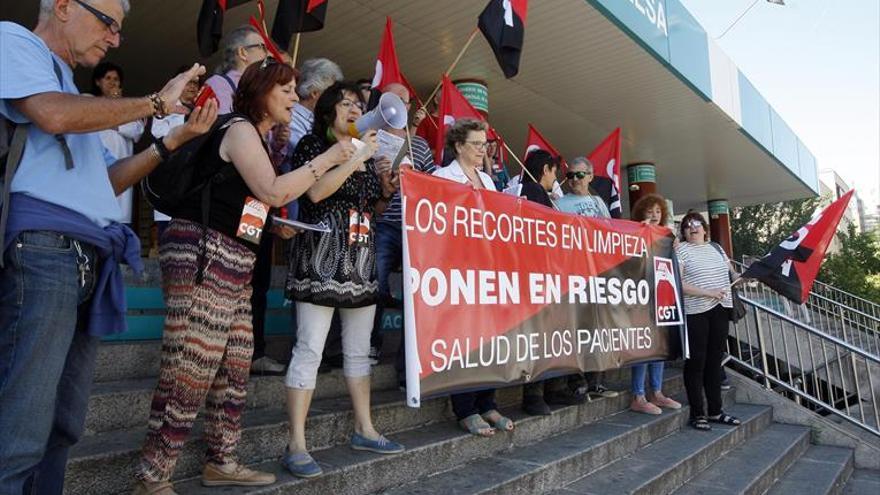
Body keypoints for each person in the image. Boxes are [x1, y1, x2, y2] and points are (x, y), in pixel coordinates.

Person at [0, 1, 212, 492]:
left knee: (62, 424)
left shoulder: (71, 90)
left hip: (82, 256)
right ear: (64, 6)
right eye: (108, 23)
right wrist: (155, 103)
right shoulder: (15, 41)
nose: (115, 39)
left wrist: (171, 141)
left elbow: (108, 180)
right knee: (20, 431)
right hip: (44, 251)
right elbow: (51, 115)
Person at [133, 60, 354, 494]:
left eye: (294, 90)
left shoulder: (257, 137)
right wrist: (328, 157)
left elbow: (250, 203)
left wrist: (272, 224)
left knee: (234, 366)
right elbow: (272, 191)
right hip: (203, 251)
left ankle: (222, 461)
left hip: (235, 254)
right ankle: (152, 476)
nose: (295, 97)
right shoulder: (237, 128)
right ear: (261, 92)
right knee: (191, 365)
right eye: (286, 89)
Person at [282, 81, 403, 478]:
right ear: (328, 110)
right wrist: (355, 157)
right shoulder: (312, 146)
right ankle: (296, 443)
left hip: (360, 257)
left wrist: (385, 189)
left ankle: (364, 428)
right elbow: (316, 192)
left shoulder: (368, 153)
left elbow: (369, 205)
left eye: (359, 103)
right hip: (321, 256)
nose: (355, 109)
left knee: (358, 351)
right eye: (346, 103)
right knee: (310, 349)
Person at [433, 118, 515, 437]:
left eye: (485, 144)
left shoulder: (488, 180)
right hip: (458, 269)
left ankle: (487, 401)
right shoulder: (442, 177)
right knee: (464, 339)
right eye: (477, 144)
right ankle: (465, 408)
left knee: (490, 337)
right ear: (458, 146)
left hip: (488, 268)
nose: (483, 150)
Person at [369, 82, 437, 376]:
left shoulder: (419, 145)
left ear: (408, 107)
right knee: (376, 283)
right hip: (382, 223)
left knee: (416, 292)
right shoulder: (370, 138)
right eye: (392, 97)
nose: (398, 102)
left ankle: (408, 358)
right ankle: (371, 343)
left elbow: (434, 184)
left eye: (404, 99)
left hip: (414, 228)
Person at [556, 156, 620, 401]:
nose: (574, 180)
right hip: (574, 274)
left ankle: (596, 381)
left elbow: (611, 234)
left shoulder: (599, 203)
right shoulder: (560, 203)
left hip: (600, 275)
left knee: (598, 329)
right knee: (577, 328)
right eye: (570, 175)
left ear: (591, 176)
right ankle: (577, 379)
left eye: (579, 175)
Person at [676, 212, 742, 431]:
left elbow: (732, 273)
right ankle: (697, 413)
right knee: (697, 362)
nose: (692, 228)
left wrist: (743, 276)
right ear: (683, 232)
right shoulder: (682, 250)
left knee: (715, 361)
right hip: (696, 312)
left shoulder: (716, 248)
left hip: (721, 310)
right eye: (687, 226)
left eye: (696, 224)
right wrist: (708, 292)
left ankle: (715, 411)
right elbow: (678, 283)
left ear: (705, 228)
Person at [628, 193, 682, 414]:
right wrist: (640, 231)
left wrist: (675, 246)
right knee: (643, 347)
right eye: (649, 211)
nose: (654, 215)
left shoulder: (668, 235)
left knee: (659, 345)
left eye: (658, 211)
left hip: (661, 297)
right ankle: (638, 395)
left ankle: (657, 392)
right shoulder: (633, 231)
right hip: (640, 298)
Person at [150, 66, 201, 241]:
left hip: (191, 184)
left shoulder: (200, 109)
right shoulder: (166, 105)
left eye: (196, 83)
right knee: (168, 239)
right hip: (170, 178)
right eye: (189, 82)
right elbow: (158, 133)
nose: (193, 86)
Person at [91, 61, 145, 226]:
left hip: (122, 167)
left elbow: (136, 130)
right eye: (108, 78)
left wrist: (111, 118)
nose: (113, 82)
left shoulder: (129, 106)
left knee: (119, 218)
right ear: (98, 82)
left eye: (116, 79)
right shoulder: (90, 105)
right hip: (96, 167)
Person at [204, 25, 267, 114]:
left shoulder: (262, 87)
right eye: (262, 47)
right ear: (242, 53)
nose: (267, 54)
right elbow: (225, 125)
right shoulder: (218, 84)